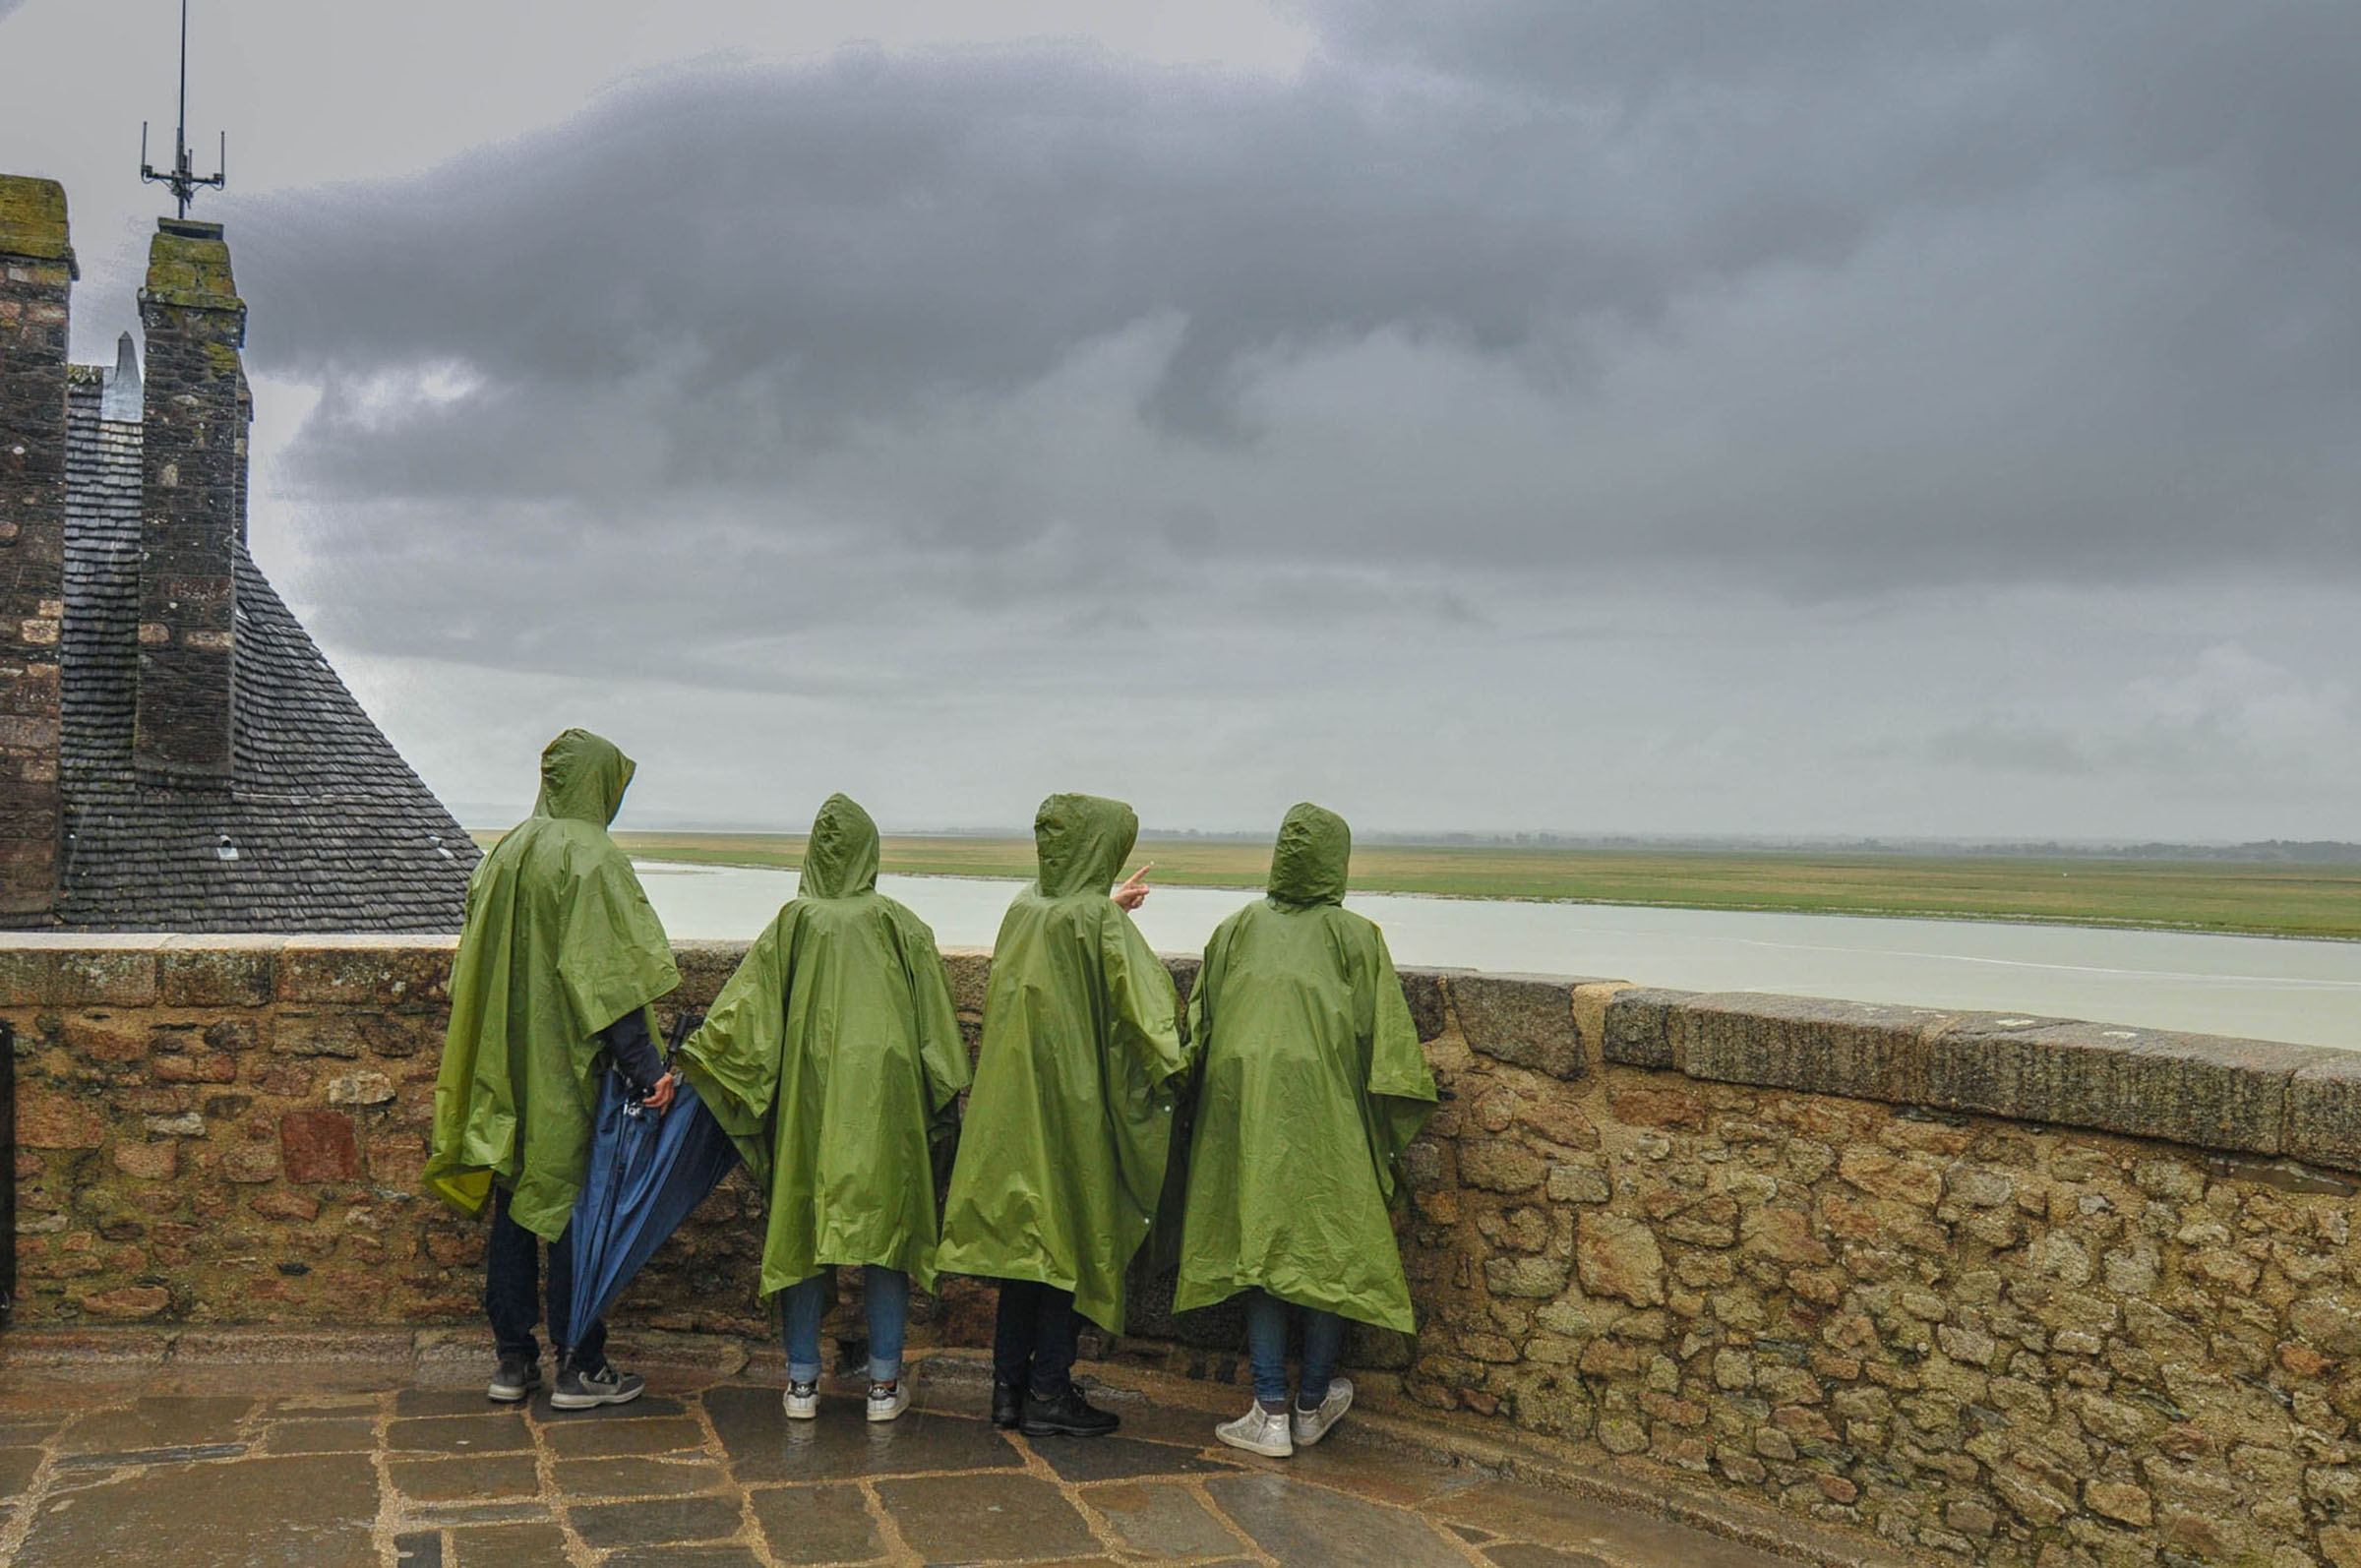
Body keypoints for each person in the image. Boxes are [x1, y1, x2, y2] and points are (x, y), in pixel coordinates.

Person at [676, 794, 971, 1424]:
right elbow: (941, 1043)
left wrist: (689, 1061)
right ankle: (884, 1388)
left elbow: (742, 1023)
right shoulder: (902, 925)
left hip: (808, 1110)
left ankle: (802, 1384)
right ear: (869, 852)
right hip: (886, 1112)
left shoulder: (793, 922)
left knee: (803, 1234)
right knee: (887, 1236)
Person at [425, 729, 680, 1410]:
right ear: (599, 784)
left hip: (500, 1061)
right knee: (575, 1209)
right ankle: (579, 1365)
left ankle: (512, 1363)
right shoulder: (591, 858)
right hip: (566, 1067)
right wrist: (647, 1069)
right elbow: (608, 980)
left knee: (514, 1202)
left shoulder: (505, 852)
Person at [1174, 803, 1437, 1457]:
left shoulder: (1235, 930)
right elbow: (1393, 1054)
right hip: (1331, 1127)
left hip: (1246, 1121)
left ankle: (1268, 1412)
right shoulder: (1357, 937)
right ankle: (1312, 1403)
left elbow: (1196, 1032)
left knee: (1260, 1254)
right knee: (1329, 1255)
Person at [936, 793, 1183, 1438]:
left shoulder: (1025, 907)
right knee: (1068, 1248)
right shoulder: (1094, 922)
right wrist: (1182, 1065)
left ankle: (1007, 1392)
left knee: (1025, 1251)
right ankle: (1048, 1392)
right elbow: (1146, 1010)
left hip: (1009, 1110)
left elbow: (1061, 933)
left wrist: (1109, 905)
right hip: (1071, 1108)